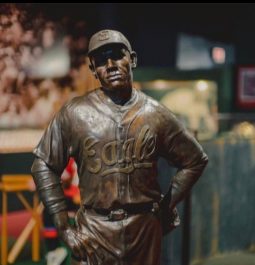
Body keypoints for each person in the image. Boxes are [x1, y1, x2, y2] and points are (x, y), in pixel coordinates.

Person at [31, 29, 208, 265]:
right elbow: (43, 165)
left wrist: (167, 204)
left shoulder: (156, 114)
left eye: (117, 55)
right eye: (101, 61)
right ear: (93, 69)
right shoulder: (75, 113)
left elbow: (195, 159)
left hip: (143, 230)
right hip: (94, 231)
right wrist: (63, 227)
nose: (111, 65)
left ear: (132, 59)